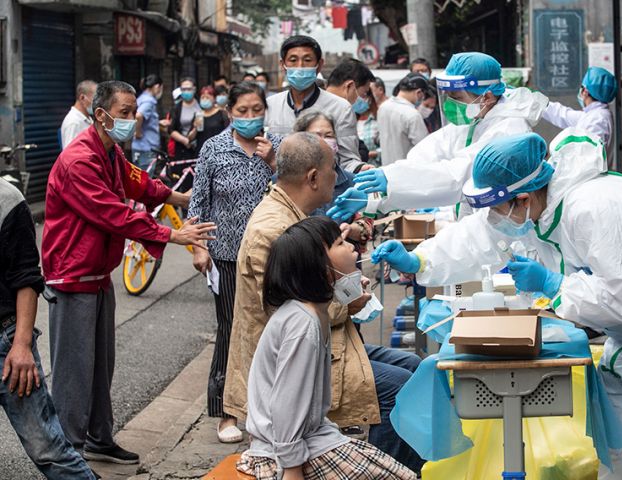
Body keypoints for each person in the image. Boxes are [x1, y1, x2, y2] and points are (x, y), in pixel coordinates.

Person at [373, 130, 622, 479]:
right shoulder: (538, 205)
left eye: (498, 208)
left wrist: (552, 284)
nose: (496, 218)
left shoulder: (598, 208)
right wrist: (420, 261)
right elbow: (481, 235)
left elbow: (617, 299)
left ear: (524, 198)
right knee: (617, 444)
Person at [224, 133, 424, 474]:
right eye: (334, 168)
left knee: (415, 368)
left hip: (332, 341)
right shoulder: (274, 231)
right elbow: (288, 397)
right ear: (313, 177)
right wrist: (350, 297)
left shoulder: (295, 215)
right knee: (400, 389)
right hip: (300, 360)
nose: (339, 175)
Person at [42, 80, 216, 464]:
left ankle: (99, 438)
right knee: (74, 370)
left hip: (97, 273)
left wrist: (180, 197)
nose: (132, 118)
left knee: (101, 365)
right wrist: (174, 235)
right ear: (101, 115)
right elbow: (113, 213)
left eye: (133, 110)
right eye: (124, 112)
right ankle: (68, 452)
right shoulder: (80, 160)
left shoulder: (110, 153)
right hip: (72, 275)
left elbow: (138, 182)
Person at [236, 216, 416, 480]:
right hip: (286, 454)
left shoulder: (311, 311)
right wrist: (293, 470)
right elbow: (287, 405)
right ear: (321, 268)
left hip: (311, 441)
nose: (353, 248)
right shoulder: (303, 324)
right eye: (341, 243)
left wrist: (349, 290)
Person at [328, 52, 547, 221]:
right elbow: (426, 155)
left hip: (505, 229)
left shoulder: (509, 128)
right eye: (448, 96)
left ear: (487, 97)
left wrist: (390, 181)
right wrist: (374, 195)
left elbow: (456, 176)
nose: (451, 103)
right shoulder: (473, 121)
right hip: (474, 226)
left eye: (457, 96)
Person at [189, 81, 280, 444]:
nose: (249, 117)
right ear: (230, 113)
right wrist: (199, 247)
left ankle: (269, 410)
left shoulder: (276, 147)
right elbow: (198, 202)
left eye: (255, 109)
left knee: (273, 331)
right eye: (241, 111)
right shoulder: (214, 149)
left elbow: (292, 192)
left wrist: (273, 162)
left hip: (271, 257)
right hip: (226, 257)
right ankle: (226, 412)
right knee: (230, 330)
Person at [0, 177, 97, 480]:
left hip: (6, 344)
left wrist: (21, 344)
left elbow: (28, 278)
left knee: (47, 448)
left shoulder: (7, 199)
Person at [266, 35, 369, 174]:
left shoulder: (340, 108)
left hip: (326, 191)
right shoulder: (270, 106)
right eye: (293, 60)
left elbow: (348, 160)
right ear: (283, 65)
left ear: (319, 65)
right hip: (280, 190)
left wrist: (361, 169)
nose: (300, 66)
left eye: (307, 60)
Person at [293, 112, 373, 252]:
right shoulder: (287, 182)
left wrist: (352, 229)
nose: (324, 141)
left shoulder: (351, 181)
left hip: (344, 264)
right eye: (316, 136)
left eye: (329, 136)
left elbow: (367, 222)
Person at [542, 66, 617, 149]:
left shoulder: (598, 120)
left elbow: (587, 155)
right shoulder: (594, 115)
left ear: (585, 91)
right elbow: (562, 114)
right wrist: (537, 102)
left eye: (582, 87)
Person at [376, 73, 430, 166]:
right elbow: (425, 149)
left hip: (386, 170)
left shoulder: (383, 107)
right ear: (418, 92)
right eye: (423, 95)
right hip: (407, 172)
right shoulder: (412, 114)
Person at [132, 74, 164, 170]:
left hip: (139, 147)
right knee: (145, 180)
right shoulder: (149, 101)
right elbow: (138, 116)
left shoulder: (141, 98)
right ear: (157, 86)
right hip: (147, 147)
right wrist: (138, 132)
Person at [169, 77, 201, 160]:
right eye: (183, 89)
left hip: (198, 147)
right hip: (181, 148)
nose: (186, 91)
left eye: (189, 89)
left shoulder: (200, 106)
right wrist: (184, 140)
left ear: (194, 89)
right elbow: (171, 129)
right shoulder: (176, 108)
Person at [60, 80, 96, 149]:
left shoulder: (87, 118)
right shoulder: (73, 122)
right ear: (82, 98)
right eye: (95, 99)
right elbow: (69, 155)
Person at [196, 85, 231, 151]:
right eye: (203, 97)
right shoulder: (198, 114)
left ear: (214, 98)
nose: (205, 100)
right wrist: (195, 127)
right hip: (201, 150)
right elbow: (191, 138)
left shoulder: (222, 114)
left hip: (219, 149)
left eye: (207, 97)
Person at [357, 91, 381, 166]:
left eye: (362, 96)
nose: (358, 100)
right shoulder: (350, 121)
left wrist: (375, 153)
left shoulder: (377, 120)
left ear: (369, 99)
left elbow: (387, 146)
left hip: (375, 167)